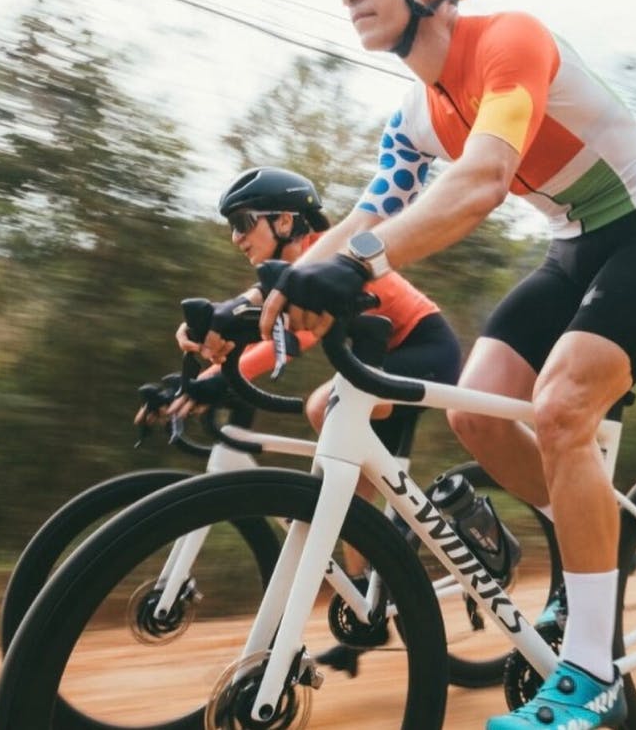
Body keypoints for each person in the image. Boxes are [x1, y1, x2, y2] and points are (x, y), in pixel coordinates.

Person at [237, 0, 636, 730]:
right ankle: (587, 559)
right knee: (480, 412)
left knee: (560, 408)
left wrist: (359, 267)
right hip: (574, 246)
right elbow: (366, 215)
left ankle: (594, 676)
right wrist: (269, 293)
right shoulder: (414, 116)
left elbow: (482, 182)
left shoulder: (509, 41)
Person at [157, 165, 463, 674]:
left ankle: (435, 537)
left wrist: (218, 380)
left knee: (325, 407)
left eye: (241, 222)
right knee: (350, 494)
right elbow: (254, 325)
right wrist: (197, 372)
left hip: (423, 347)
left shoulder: (318, 256)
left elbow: (290, 339)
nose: (235, 238)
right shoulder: (291, 274)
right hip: (374, 361)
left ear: (283, 220)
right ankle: (367, 605)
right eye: (231, 227)